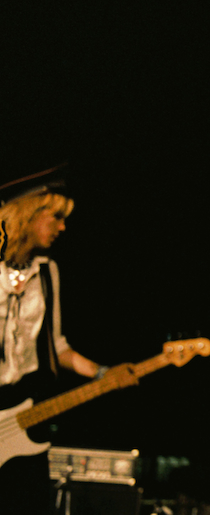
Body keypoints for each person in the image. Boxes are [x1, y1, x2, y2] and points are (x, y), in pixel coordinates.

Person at [0, 165, 136, 514]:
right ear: (27, 214)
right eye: (55, 216)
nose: (62, 227)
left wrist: (102, 373)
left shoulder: (48, 272)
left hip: (26, 417)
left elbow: (57, 347)